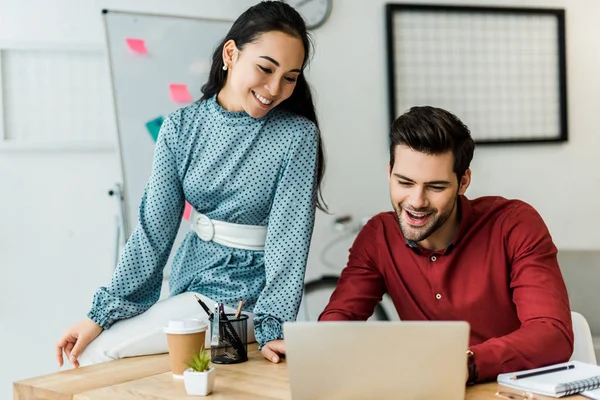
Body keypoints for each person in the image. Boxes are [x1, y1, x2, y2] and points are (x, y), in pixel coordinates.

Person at [56, 1, 326, 368]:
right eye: (266, 68)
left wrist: (272, 326)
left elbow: (288, 241)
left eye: (290, 77)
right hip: (190, 282)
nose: (275, 88)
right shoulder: (180, 127)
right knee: (109, 348)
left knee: (96, 355)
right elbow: (154, 231)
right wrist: (101, 314)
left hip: (242, 298)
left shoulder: (296, 136)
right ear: (231, 53)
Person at [319, 106, 573, 383]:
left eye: (436, 187)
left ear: (463, 182)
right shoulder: (378, 236)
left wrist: (464, 364)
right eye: (404, 182)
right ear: (389, 172)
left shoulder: (514, 225)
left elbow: (552, 334)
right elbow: (341, 317)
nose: (416, 201)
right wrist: (311, 346)